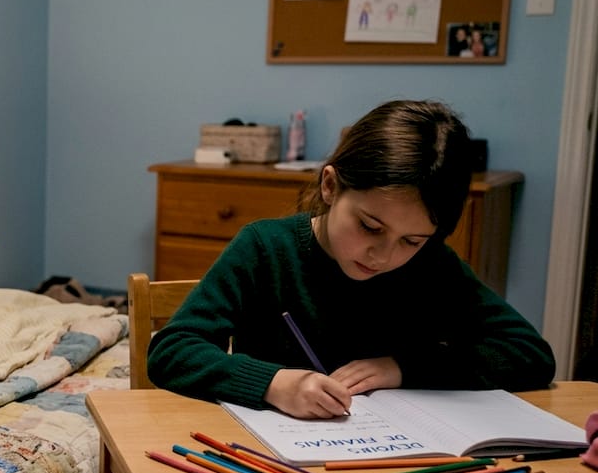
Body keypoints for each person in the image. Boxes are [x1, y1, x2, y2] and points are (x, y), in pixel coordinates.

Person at [147, 99, 555, 419]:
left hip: (397, 465)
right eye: (370, 227)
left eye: (411, 240)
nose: (383, 255)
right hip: (270, 463)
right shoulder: (266, 248)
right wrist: (271, 382)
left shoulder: (431, 264)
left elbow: (531, 354)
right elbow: (173, 350)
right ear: (330, 186)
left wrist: (404, 369)